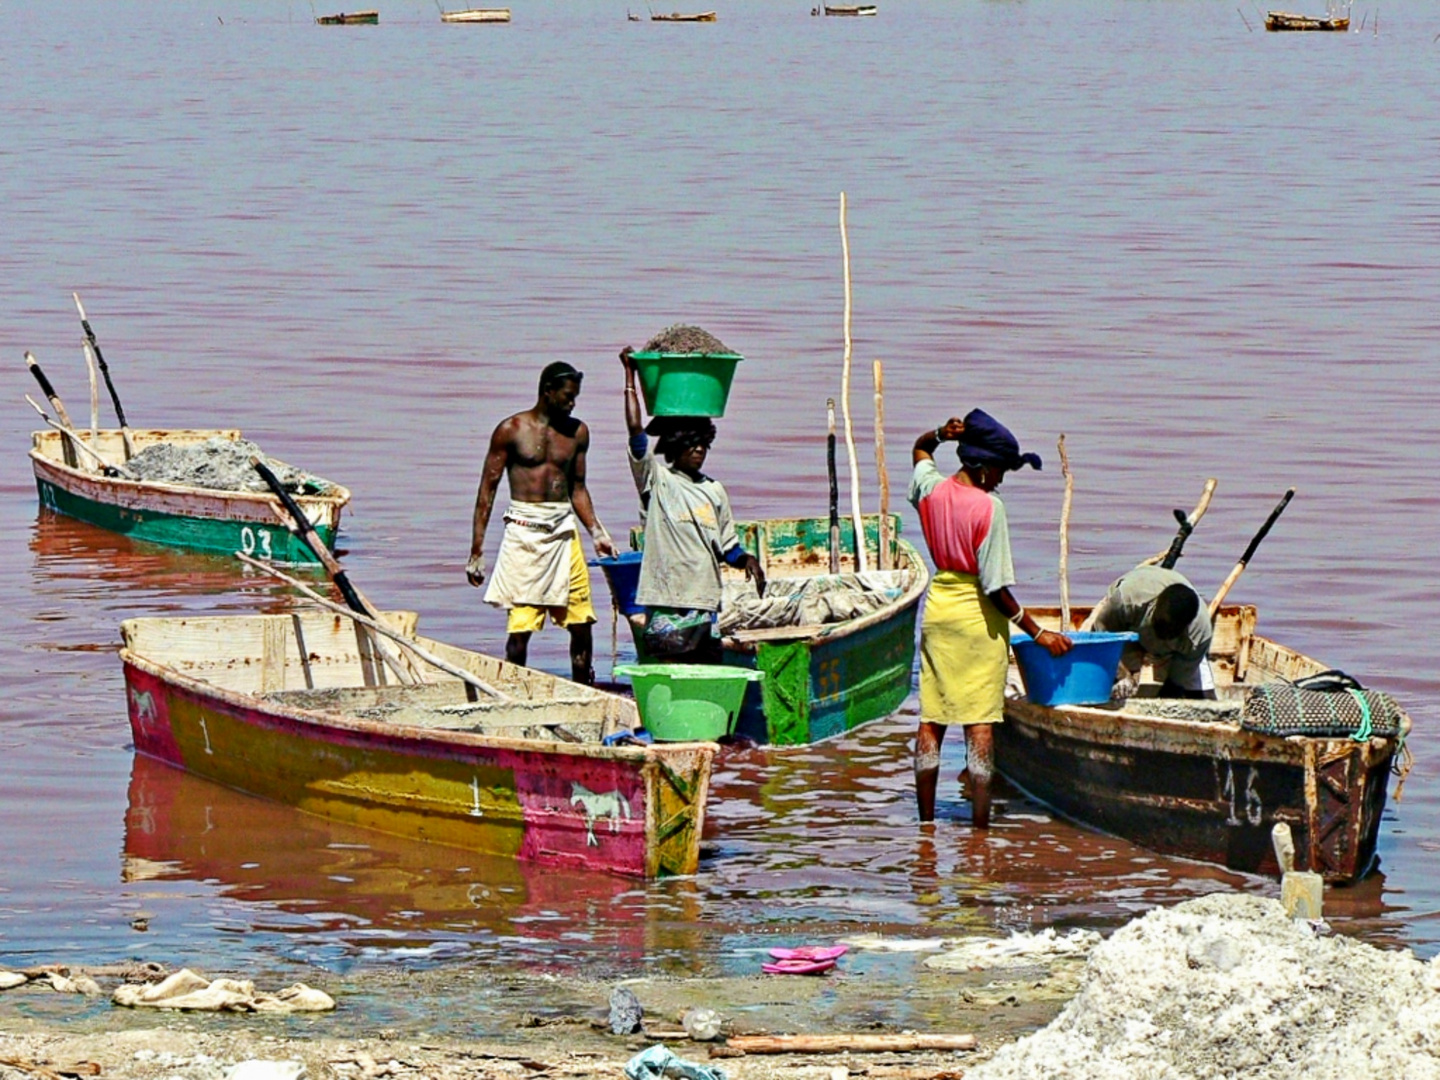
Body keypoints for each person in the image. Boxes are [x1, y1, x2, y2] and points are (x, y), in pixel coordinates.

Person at [909, 409, 1072, 828]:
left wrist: (940, 434)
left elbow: (920, 449)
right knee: (979, 722)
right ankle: (979, 827)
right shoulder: (988, 508)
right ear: (981, 469)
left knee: (933, 717)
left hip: (939, 609)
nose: (1001, 479)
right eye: (999, 471)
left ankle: (925, 824)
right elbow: (995, 588)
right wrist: (1038, 633)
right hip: (976, 619)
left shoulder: (930, 489)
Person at [467, 360, 616, 684]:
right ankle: (515, 689)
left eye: (575, 396)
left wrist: (596, 531)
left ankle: (583, 689)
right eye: (567, 395)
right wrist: (476, 552)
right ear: (547, 391)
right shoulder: (511, 430)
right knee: (521, 627)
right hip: (524, 533)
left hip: (564, 532)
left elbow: (577, 488)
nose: (572, 402)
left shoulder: (578, 433)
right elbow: (486, 490)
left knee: (581, 623)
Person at [620, 346, 764, 663]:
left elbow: (727, 549)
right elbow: (635, 433)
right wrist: (630, 377)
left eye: (703, 444)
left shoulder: (715, 491)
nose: (698, 449)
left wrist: (747, 560)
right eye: (691, 443)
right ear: (675, 446)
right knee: (671, 670)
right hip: (666, 599)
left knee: (706, 671)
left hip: (704, 602)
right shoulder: (657, 482)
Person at [1086, 564, 1215, 699]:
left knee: (1198, 698)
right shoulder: (1127, 600)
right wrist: (1121, 674)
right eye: (1161, 625)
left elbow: (1175, 684)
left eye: (1170, 632)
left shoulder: (1198, 636)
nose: (1163, 633)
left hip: (1172, 648)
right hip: (1126, 626)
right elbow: (1100, 636)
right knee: (1106, 682)